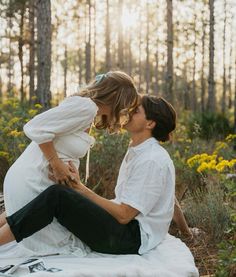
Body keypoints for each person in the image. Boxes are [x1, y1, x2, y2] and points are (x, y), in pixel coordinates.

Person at [0, 95, 176, 256]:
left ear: (150, 124)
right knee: (43, 195)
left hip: (129, 239)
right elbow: (169, 197)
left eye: (136, 111)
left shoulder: (151, 159)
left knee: (57, 196)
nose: (129, 112)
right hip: (123, 230)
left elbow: (124, 215)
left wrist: (80, 189)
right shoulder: (139, 151)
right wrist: (186, 231)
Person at [2, 71, 139, 255]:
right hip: (33, 179)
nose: (124, 112)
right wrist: (56, 163)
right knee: (67, 245)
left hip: (35, 179)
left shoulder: (87, 109)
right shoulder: (86, 107)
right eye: (124, 105)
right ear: (115, 97)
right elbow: (34, 126)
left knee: (25, 217)